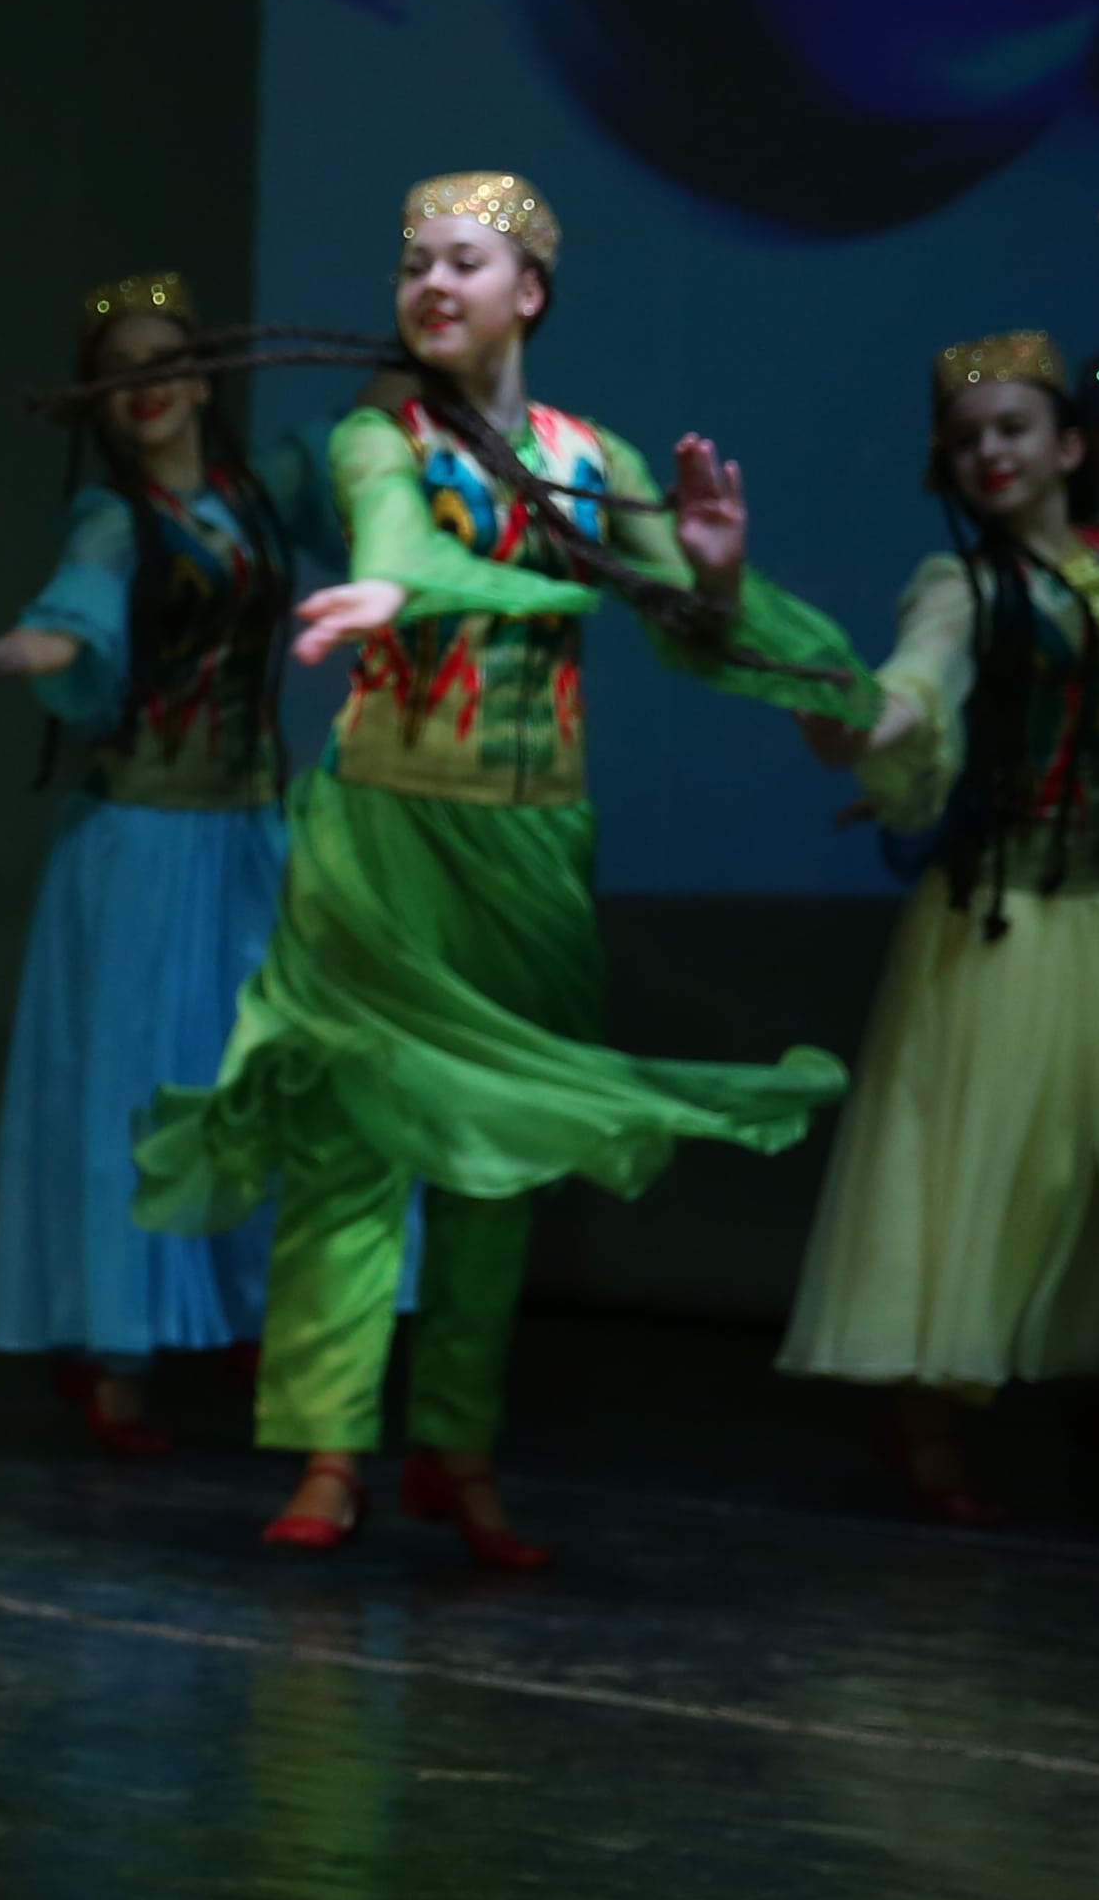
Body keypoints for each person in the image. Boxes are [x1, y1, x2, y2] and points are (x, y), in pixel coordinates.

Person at [138, 171, 866, 1567]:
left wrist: (714, 576)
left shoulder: (593, 455)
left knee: (501, 1158)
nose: (431, 284)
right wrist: (395, 582)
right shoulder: (380, 436)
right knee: (350, 1138)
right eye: (413, 261)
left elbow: (692, 629)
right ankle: (331, 1452)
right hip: (382, 831)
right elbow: (396, 530)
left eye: (463, 262)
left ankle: (457, 1450)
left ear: (528, 292)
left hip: (532, 840)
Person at [780, 329, 1099, 1528]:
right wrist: (859, 727)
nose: (991, 454)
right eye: (967, 441)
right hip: (999, 921)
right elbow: (917, 683)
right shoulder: (959, 586)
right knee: (969, 1179)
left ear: (1070, 447)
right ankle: (924, 1426)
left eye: (1013, 429)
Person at [0, 272, 339, 1456]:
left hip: (253, 835)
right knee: (136, 1098)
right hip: (142, 842)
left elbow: (373, 438)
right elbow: (71, 627)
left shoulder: (268, 489)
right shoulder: (113, 520)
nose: (143, 389)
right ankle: (113, 1349)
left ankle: (254, 1312)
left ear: (203, 379)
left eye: (162, 364)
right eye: (117, 376)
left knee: (261, 1080)